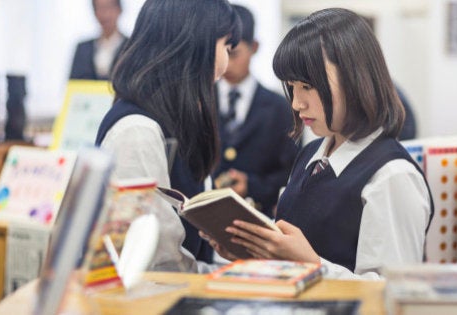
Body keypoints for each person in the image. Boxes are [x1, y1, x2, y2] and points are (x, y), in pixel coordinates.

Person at [205, 8, 433, 280]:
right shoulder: (311, 155)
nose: (296, 103)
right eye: (292, 87)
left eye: (307, 87)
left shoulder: (392, 176)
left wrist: (311, 264)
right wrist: (256, 253)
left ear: (355, 79)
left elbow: (389, 291)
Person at [94, 0, 240, 272]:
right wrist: (231, 277)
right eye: (226, 47)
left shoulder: (173, 122)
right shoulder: (137, 132)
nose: (225, 63)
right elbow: (157, 263)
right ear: (196, 45)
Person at [214, 5, 298, 217]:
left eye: (233, 54)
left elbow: (291, 174)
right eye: (220, 52)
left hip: (258, 220)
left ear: (254, 47)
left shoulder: (281, 108)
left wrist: (251, 185)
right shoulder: (199, 101)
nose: (226, 63)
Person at [69, 0, 127, 80]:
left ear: (119, 9)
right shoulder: (83, 48)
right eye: (99, 8)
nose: (105, 14)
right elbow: (74, 83)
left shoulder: (131, 46)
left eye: (109, 7)